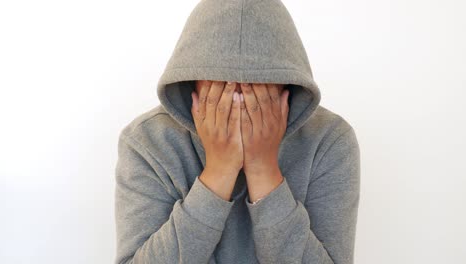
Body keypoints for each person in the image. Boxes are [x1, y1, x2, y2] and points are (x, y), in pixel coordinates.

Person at [114, 0, 360, 263]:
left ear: (287, 84)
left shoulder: (330, 140)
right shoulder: (147, 141)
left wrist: (263, 169)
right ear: (192, 81)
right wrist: (219, 171)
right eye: (222, 84)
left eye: (258, 85)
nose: (240, 97)